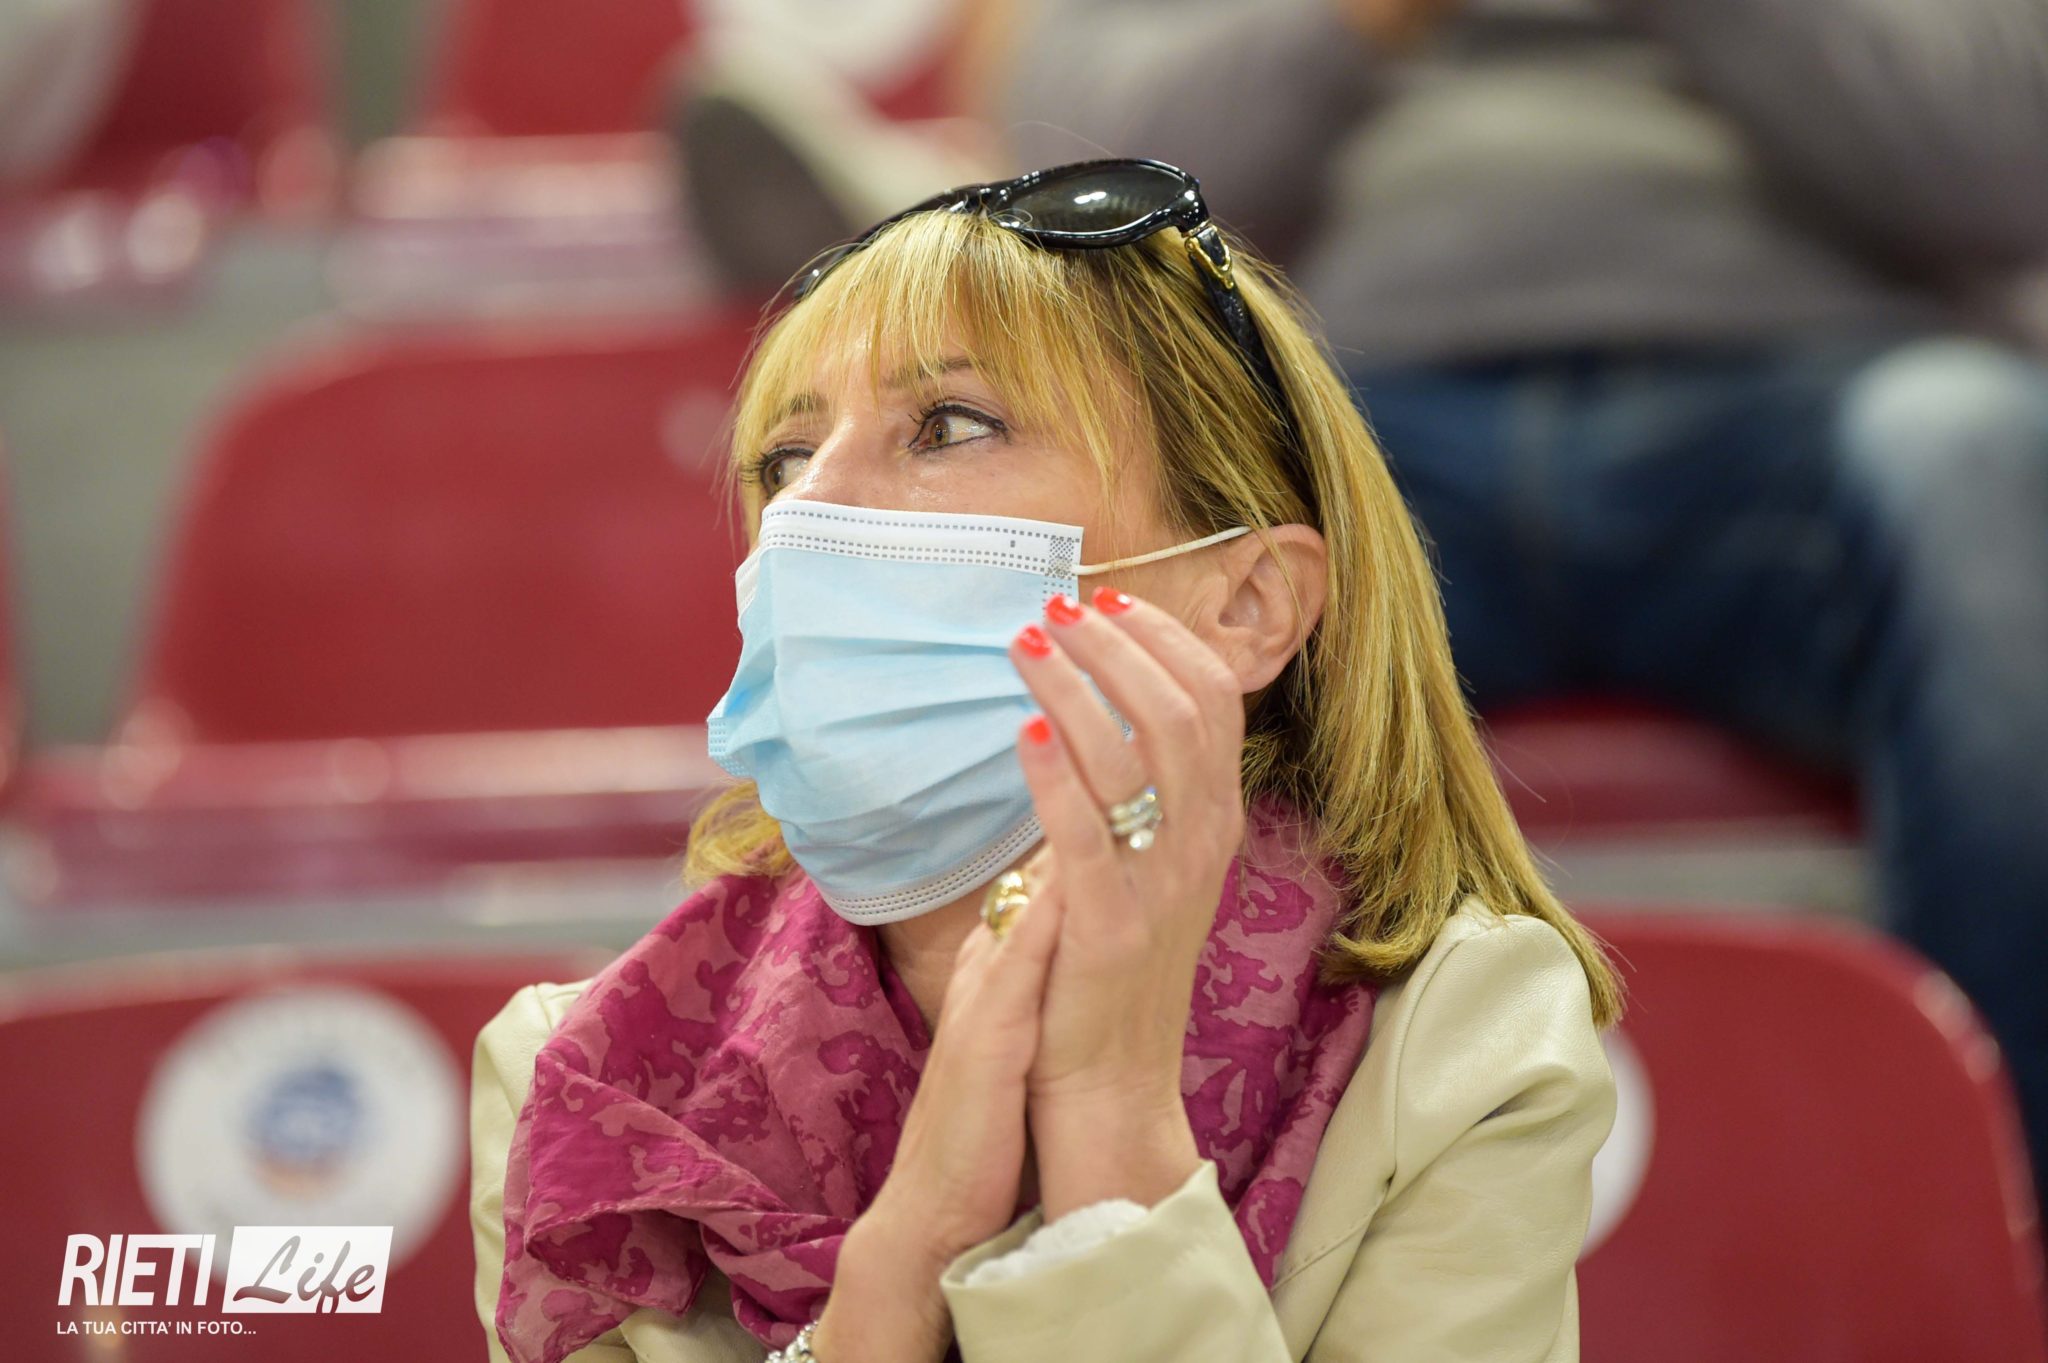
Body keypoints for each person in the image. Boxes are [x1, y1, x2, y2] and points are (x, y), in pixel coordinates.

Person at [470, 158, 1622, 1363]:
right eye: (784, 460)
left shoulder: (1455, 1044)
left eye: (948, 426)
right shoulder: (583, 1075)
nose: (810, 512)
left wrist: (1110, 1129)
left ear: (1244, 604)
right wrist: (893, 1276)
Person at [999, 0, 2048, 1211]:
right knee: (1115, 510)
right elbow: (1076, 203)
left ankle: (2009, 1210)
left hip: (1809, 403)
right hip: (1364, 414)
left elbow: (2004, 151)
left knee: (1971, 451)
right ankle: (1128, 1220)